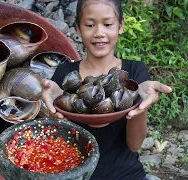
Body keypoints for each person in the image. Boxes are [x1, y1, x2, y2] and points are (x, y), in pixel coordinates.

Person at [41, 0, 173, 179]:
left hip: (127, 175)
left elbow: (134, 145)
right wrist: (53, 109)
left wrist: (139, 105)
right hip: (78, 175)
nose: (99, 33)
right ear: (78, 29)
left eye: (108, 24)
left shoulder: (133, 71)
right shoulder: (65, 74)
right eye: (89, 25)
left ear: (121, 26)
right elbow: (59, 141)